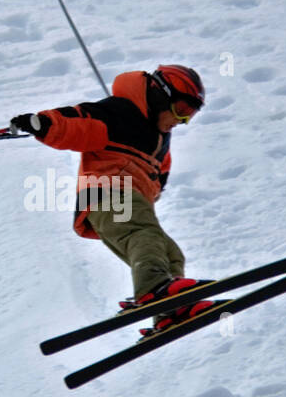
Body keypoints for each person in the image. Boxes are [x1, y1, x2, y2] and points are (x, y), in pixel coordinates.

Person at [11, 64, 214, 333]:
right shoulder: (120, 114)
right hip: (108, 191)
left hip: (132, 199)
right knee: (145, 235)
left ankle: (171, 309)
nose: (182, 120)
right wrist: (42, 124)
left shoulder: (160, 137)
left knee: (171, 252)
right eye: (181, 110)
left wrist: (158, 186)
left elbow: (160, 168)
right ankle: (154, 288)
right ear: (159, 96)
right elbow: (78, 124)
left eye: (191, 115)